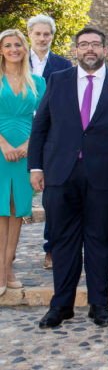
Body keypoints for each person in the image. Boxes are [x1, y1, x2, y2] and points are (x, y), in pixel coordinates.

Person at [30, 27, 108, 328]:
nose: (90, 49)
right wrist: (36, 167)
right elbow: (41, 126)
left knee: (100, 240)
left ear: (105, 50)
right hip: (60, 173)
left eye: (96, 44)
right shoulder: (57, 81)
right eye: (84, 45)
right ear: (76, 49)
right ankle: (61, 305)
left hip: (105, 176)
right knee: (62, 241)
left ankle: (99, 305)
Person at [0, 30, 46, 295]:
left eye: (18, 44)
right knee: (0, 210)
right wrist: (5, 145)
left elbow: (43, 119)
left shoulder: (38, 83)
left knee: (17, 211)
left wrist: (28, 145)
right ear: (1, 50)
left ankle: (8, 268)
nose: (14, 49)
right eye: (8, 45)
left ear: (24, 48)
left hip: (26, 150)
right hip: (1, 149)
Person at [26, 14, 71, 270]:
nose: (42, 38)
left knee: (52, 201)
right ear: (29, 34)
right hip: (15, 138)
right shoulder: (15, 61)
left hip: (49, 140)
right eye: (38, 34)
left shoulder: (64, 65)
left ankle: (51, 248)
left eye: (47, 34)